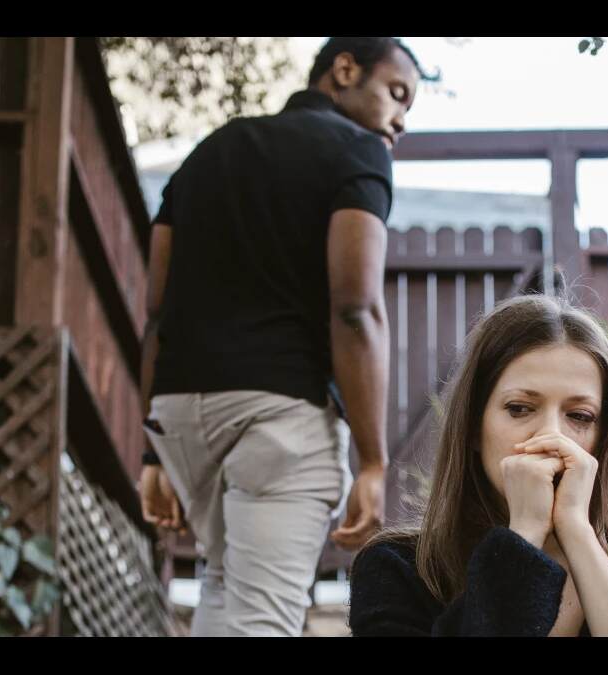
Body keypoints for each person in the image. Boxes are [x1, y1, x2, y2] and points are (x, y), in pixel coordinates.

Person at [137, 37, 430, 636]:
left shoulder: (209, 151)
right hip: (281, 420)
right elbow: (356, 309)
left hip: (183, 417)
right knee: (263, 619)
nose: (400, 119)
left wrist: (151, 449)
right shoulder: (359, 152)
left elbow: (157, 309)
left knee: (223, 586)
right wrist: (373, 462)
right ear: (344, 70)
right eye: (396, 93)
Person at [348, 293, 608, 636]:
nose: (551, 436)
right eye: (520, 409)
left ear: (606, 437)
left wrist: (577, 532)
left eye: (580, 416)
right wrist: (523, 538)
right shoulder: (397, 567)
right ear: (473, 428)